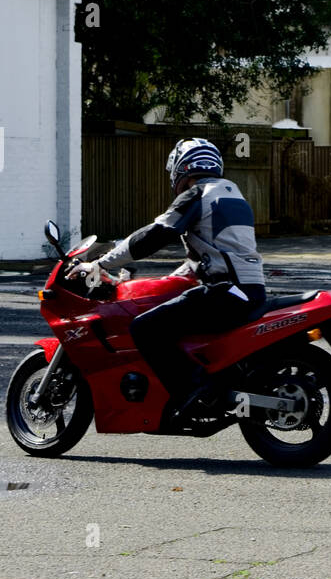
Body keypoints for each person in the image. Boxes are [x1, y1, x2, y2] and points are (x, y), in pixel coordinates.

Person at [70, 138, 266, 416]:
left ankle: (195, 390)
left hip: (226, 294)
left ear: (182, 167)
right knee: (173, 313)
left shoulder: (197, 194)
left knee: (145, 328)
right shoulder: (232, 193)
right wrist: (161, 282)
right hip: (247, 293)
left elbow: (154, 235)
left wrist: (100, 263)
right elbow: (206, 257)